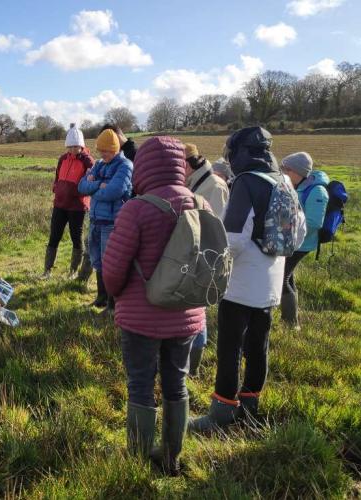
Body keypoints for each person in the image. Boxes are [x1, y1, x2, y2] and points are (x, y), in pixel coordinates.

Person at [101, 136, 207, 476]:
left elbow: (113, 270)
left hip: (141, 318)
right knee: (177, 382)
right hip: (188, 315)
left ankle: (137, 459)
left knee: (140, 384)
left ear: (144, 167)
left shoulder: (137, 208)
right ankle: (171, 455)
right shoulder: (200, 204)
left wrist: (117, 296)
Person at [190, 127, 286, 433]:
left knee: (230, 346)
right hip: (272, 278)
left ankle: (222, 410)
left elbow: (233, 238)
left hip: (243, 281)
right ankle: (250, 404)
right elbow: (294, 234)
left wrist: (211, 257)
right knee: (259, 345)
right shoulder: (281, 180)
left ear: (240, 151)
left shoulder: (247, 181)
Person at [184, 144, 230, 376]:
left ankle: (194, 366)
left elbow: (217, 228)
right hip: (190, 254)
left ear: (187, 164)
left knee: (197, 309)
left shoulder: (216, 186)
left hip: (205, 257)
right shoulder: (194, 183)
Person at [78, 128, 133, 309]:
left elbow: (113, 192)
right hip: (95, 221)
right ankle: (101, 298)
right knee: (98, 262)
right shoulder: (99, 164)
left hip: (112, 223)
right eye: (101, 151)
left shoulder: (125, 166)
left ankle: (113, 305)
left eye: (107, 151)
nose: (103, 154)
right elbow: (82, 187)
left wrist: (95, 187)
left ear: (116, 148)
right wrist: (98, 184)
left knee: (110, 264)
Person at [279, 152, 329, 329]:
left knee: (282, 277)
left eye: (287, 169)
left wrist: (290, 228)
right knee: (288, 277)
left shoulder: (317, 190)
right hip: (293, 241)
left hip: (302, 243)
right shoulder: (300, 186)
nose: (283, 171)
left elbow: (314, 222)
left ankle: (290, 323)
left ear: (298, 171)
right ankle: (291, 319)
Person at [41, 124, 94, 280]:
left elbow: (92, 182)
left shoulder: (88, 161)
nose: (71, 150)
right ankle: (47, 271)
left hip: (77, 206)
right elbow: (57, 177)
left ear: (81, 145)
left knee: (76, 238)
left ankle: (73, 271)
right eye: (69, 146)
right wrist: (56, 188)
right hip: (60, 204)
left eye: (75, 146)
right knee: (54, 236)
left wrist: (78, 192)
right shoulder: (62, 159)